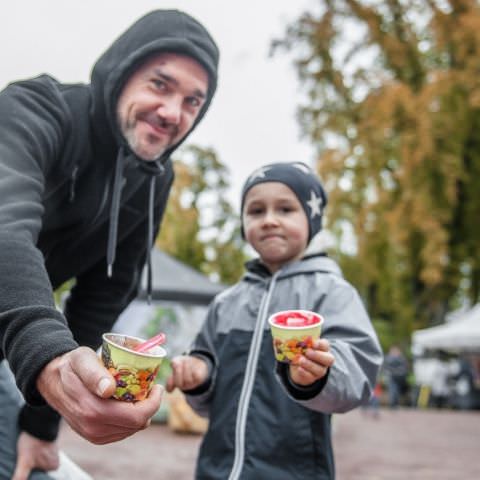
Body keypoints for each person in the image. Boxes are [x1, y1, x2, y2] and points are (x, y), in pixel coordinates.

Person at [0, 9, 219, 480]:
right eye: (160, 85)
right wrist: (50, 358)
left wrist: (41, 426)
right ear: (121, 73)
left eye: (192, 102)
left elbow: (105, 293)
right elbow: (4, 229)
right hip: (19, 340)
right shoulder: (37, 109)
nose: (173, 112)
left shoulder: (156, 180)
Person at [166, 162, 383, 479]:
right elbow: (205, 401)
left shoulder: (331, 292)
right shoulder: (226, 303)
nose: (269, 220)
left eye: (285, 209)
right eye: (256, 211)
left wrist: (320, 375)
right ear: (243, 223)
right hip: (215, 470)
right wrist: (199, 375)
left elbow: (360, 374)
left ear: (312, 220)